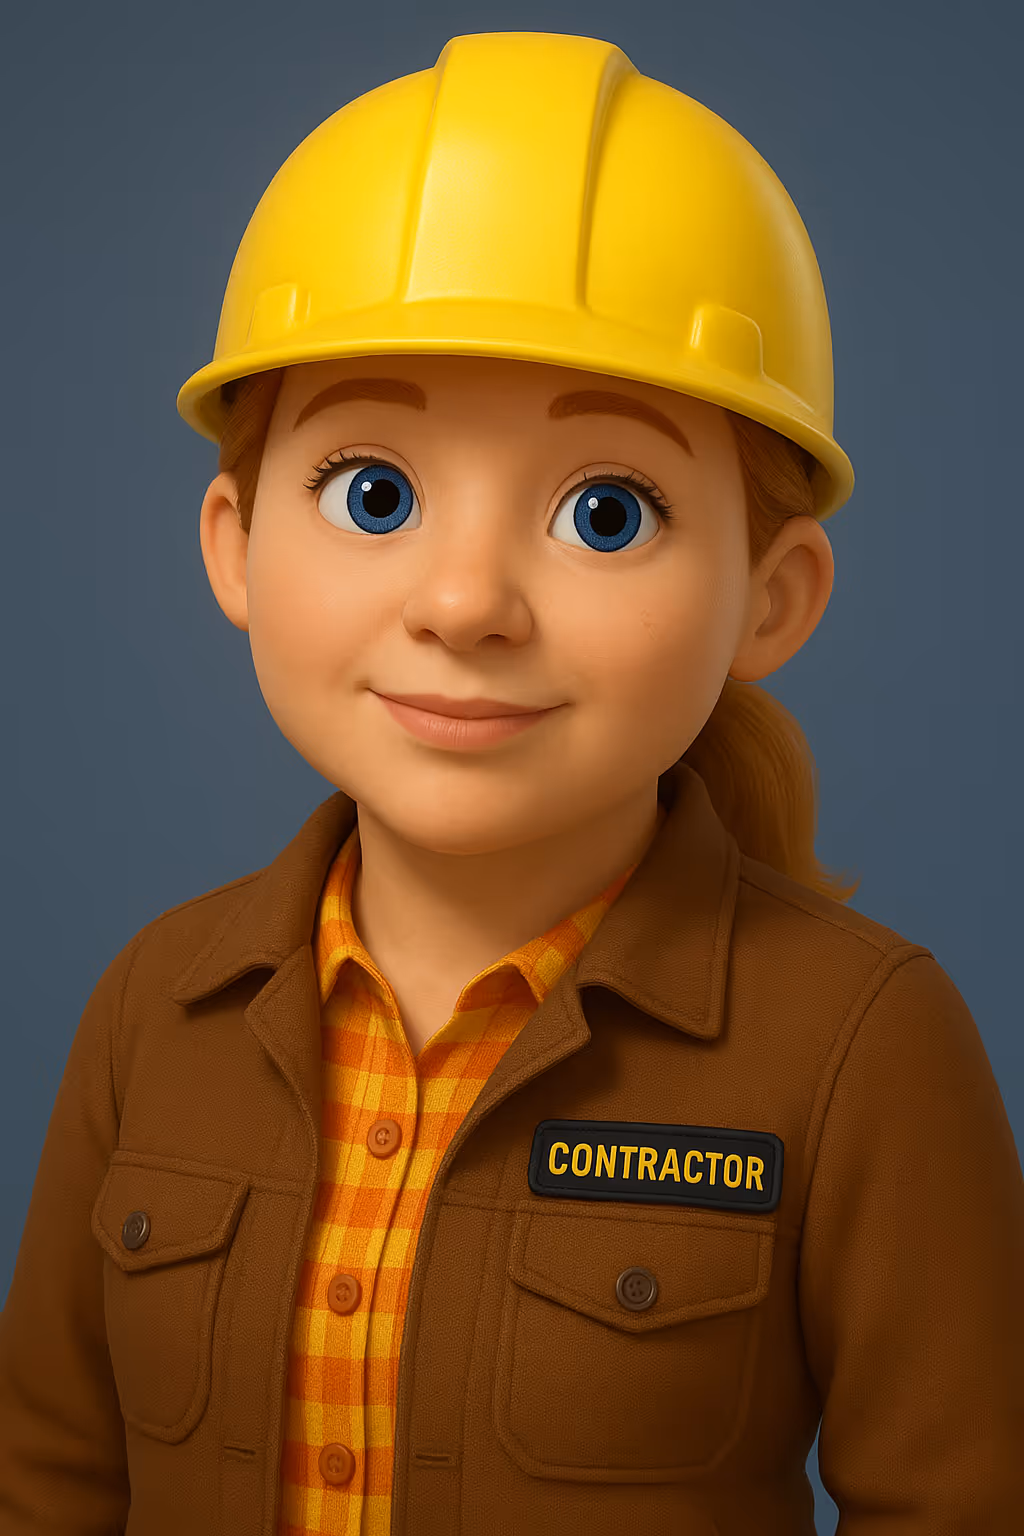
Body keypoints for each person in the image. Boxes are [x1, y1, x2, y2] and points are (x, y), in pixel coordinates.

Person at [1, 30, 1021, 1536]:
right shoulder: (151, 1010)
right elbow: (48, 1484)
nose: (466, 602)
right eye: (375, 494)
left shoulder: (866, 1045)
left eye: (607, 512)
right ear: (235, 543)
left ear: (774, 598)